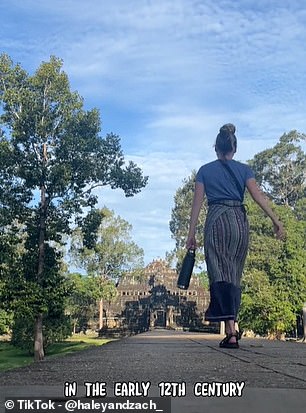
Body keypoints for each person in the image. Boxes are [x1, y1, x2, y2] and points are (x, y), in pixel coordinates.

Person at [186, 124, 285, 348]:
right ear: (234, 148)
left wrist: (191, 233)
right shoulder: (244, 170)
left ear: (216, 148)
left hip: (217, 221)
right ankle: (233, 327)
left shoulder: (205, 170)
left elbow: (197, 203)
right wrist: (275, 221)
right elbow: (258, 197)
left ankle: (230, 331)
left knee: (219, 272)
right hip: (239, 223)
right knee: (234, 274)